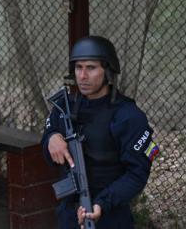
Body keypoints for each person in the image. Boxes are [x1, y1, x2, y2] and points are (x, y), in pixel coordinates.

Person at [41, 36, 159, 229]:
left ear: (108, 72)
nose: (83, 76)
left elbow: (137, 174)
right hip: (68, 214)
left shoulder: (128, 117)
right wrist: (51, 138)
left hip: (109, 215)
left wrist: (101, 204)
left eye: (91, 68)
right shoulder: (64, 107)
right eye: (79, 67)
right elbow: (48, 140)